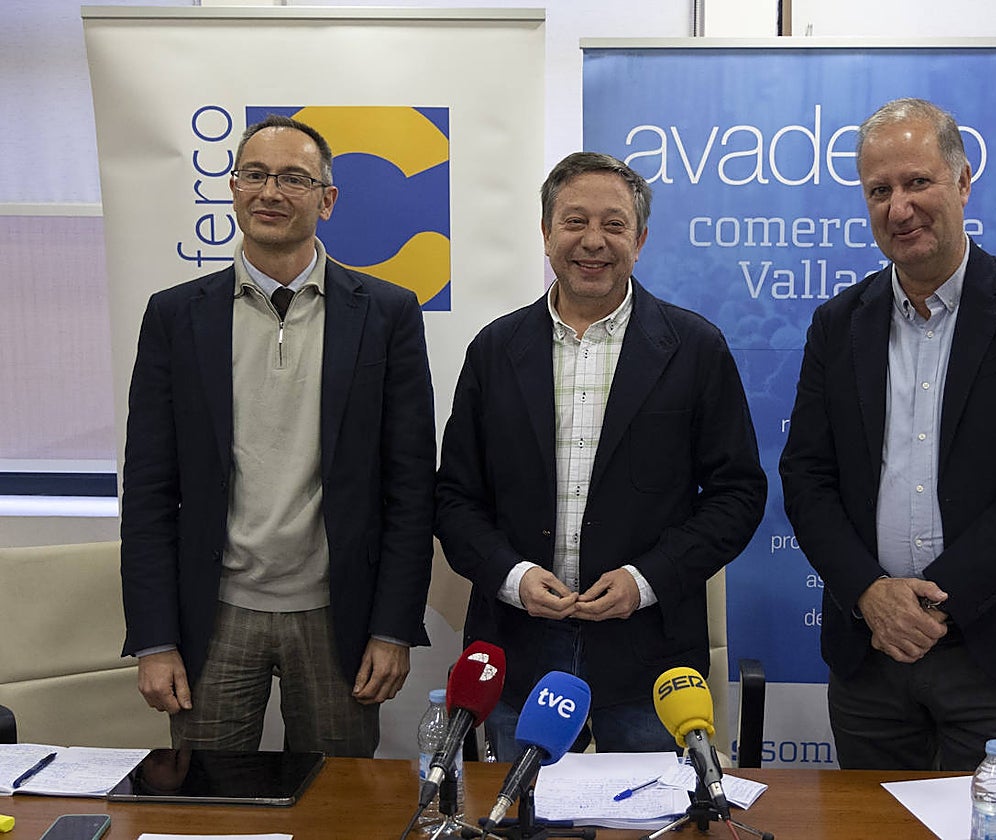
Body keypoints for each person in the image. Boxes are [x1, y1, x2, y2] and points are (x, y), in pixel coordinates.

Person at [778, 99, 996, 772]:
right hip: (872, 657)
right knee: (871, 823)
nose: (900, 208)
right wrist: (871, 593)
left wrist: (931, 601)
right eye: (879, 190)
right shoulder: (838, 324)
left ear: (962, 182)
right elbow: (807, 477)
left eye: (917, 181)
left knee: (994, 821)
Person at [120, 114, 436, 757]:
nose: (270, 192)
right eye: (255, 175)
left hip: (338, 617)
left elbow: (409, 487)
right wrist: (154, 638)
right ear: (233, 188)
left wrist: (393, 628)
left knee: (339, 801)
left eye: (294, 178)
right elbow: (149, 487)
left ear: (327, 199)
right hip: (213, 614)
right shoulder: (176, 315)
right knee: (208, 798)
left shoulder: (387, 313)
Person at [435, 151, 767, 758]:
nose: (593, 241)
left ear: (639, 240)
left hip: (649, 655)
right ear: (546, 233)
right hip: (518, 647)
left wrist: (646, 580)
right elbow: (455, 498)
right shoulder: (494, 350)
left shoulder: (695, 348)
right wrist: (512, 577)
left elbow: (737, 495)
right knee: (520, 806)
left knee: (649, 807)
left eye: (614, 225)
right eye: (574, 222)